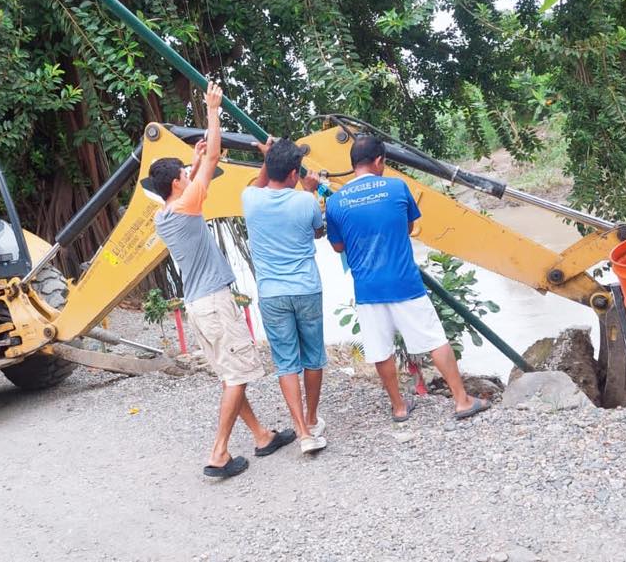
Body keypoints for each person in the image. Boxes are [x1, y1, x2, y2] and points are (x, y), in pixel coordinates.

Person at [151, 82, 296, 478]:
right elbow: (214, 156)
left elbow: (198, 172)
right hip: (214, 304)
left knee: (232, 375)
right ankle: (218, 453)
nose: (189, 175)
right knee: (238, 375)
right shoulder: (185, 205)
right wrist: (212, 110)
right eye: (184, 174)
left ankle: (262, 436)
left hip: (198, 307)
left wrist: (192, 163)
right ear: (177, 184)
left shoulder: (164, 214)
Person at [325, 135, 491, 422]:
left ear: (353, 164)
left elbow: (338, 246)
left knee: (380, 350)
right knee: (435, 339)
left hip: (367, 288)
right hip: (404, 282)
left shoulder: (336, 202)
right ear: (379, 160)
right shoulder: (397, 187)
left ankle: (399, 407)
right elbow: (410, 226)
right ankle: (462, 401)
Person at [241, 137, 328, 455]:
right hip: (306, 289)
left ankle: (302, 432)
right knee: (313, 358)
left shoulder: (250, 198)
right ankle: (313, 419)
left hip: (272, 294)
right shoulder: (306, 201)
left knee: (286, 363)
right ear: (294, 173)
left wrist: (268, 158)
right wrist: (312, 190)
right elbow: (318, 231)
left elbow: (261, 182)